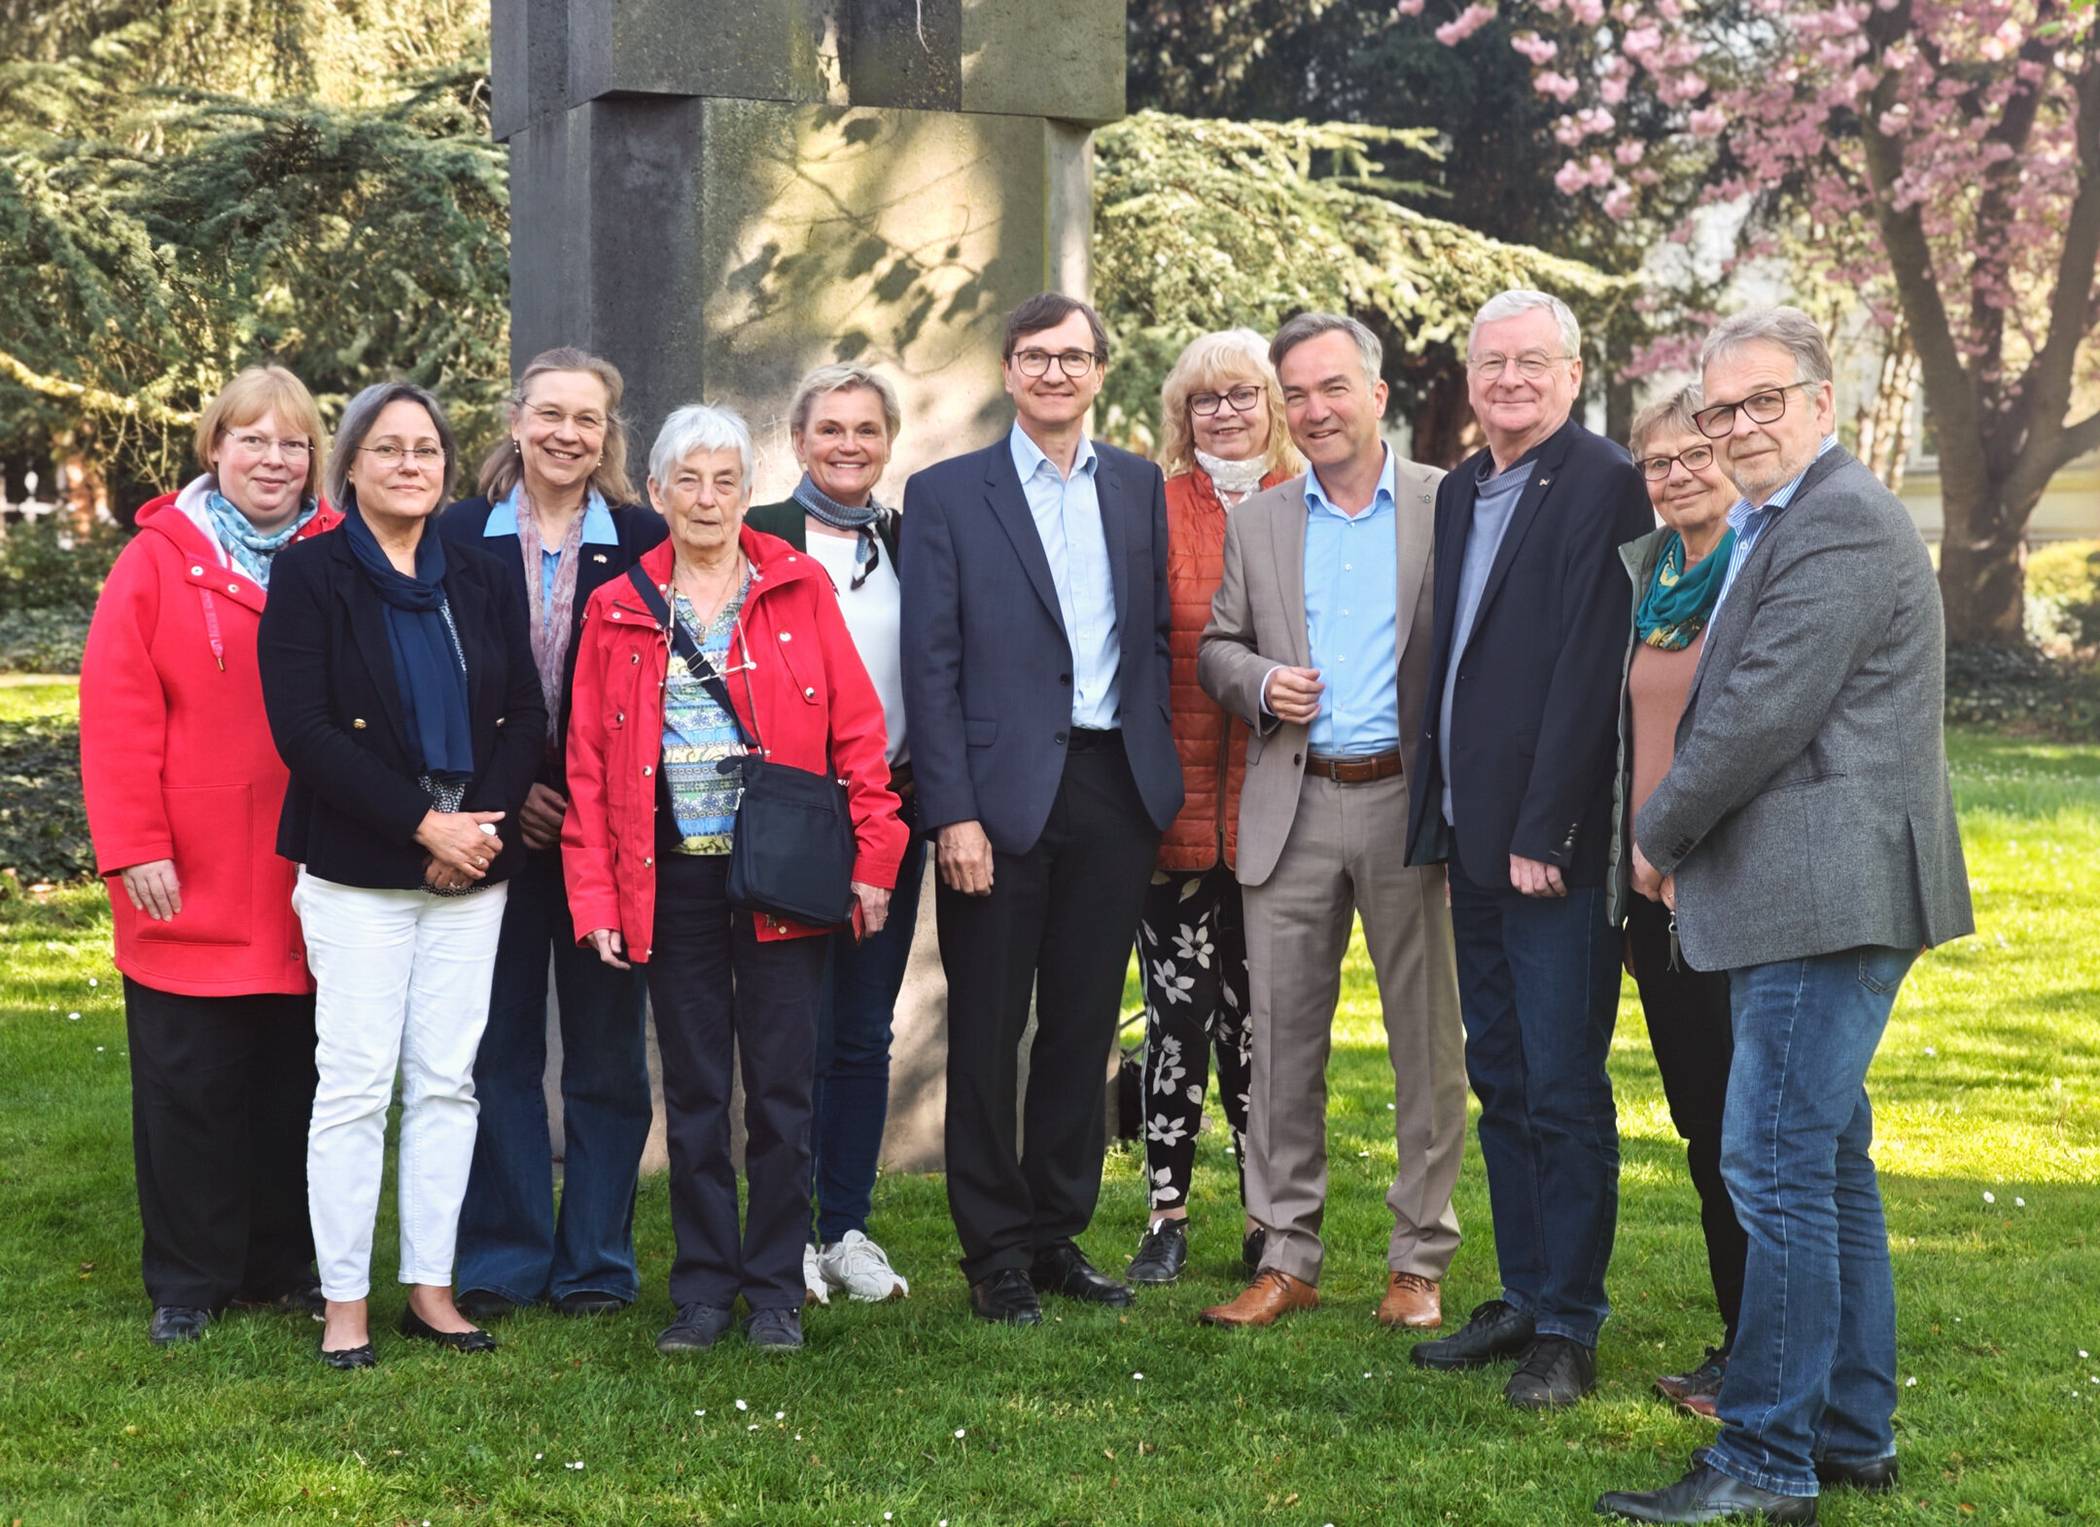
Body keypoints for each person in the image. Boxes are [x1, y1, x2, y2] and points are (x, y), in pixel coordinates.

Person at [1599, 309, 1973, 1524]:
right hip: (1808, 886)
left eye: (1766, 401)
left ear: (1823, 402)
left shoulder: (1843, 523)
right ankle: (1853, 1433)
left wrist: (1655, 834)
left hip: (1822, 890)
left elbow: (1760, 710)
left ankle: (1766, 1461)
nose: (1742, 426)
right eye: (1721, 409)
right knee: (1824, 1161)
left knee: (1770, 1164)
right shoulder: (1785, 520)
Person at [564, 403, 905, 1356]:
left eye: (725, 480)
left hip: (783, 882)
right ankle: (704, 1291)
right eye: (689, 480)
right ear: (659, 491)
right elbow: (588, 764)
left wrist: (873, 864)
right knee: (701, 1094)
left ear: (746, 493)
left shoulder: (796, 587)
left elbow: (859, 737)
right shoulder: (619, 605)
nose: (707, 498)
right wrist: (594, 895)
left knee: (785, 1093)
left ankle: (775, 1293)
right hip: (666, 882)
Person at [899, 292, 1183, 1325]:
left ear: (1101, 371)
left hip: (1114, 788)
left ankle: (1057, 1230)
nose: (1056, 372)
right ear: (1009, 373)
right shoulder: (947, 494)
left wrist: (1156, 782)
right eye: (1035, 356)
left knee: (1079, 1024)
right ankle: (993, 1253)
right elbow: (930, 667)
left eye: (1075, 357)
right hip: (997, 799)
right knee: (987, 1027)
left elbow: (1150, 638)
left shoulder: (1140, 487)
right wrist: (953, 815)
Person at [259, 382, 546, 1369]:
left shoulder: (479, 570)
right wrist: (423, 824)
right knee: (354, 1087)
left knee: (446, 1084)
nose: (411, 465)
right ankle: (346, 1305)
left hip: (474, 868)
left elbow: (523, 721)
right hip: (359, 874)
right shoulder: (309, 577)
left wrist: (477, 836)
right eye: (389, 449)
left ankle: (432, 1289)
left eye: (426, 449)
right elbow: (304, 734)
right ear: (351, 467)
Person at [1404, 290, 1652, 1407]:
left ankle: (1572, 1324)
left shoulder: (1603, 482)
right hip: (1471, 833)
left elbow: (1591, 670)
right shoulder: (1463, 487)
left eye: (1530, 363)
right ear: (1469, 374)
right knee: (1500, 1075)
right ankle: (1519, 1293)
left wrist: (1548, 829)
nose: (1508, 380)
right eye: (1490, 362)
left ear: (1571, 369)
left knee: (1561, 1083)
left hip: (1544, 845)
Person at [1195, 314, 1467, 1330]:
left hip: (1410, 806)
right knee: (1282, 1045)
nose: (1314, 410)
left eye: (1332, 388)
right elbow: (1218, 647)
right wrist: (1261, 680)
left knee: (1427, 1046)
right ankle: (1287, 1254)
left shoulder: (1450, 505)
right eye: (1295, 394)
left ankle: (1419, 1260)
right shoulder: (1263, 519)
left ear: (1377, 396)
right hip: (1294, 802)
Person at [80, 366, 341, 1346]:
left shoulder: (338, 550)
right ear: (215, 449)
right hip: (186, 866)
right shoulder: (153, 561)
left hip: (312, 865)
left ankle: (280, 1265)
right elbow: (115, 713)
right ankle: (188, 1280)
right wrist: (133, 843)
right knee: (189, 1085)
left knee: (293, 1081)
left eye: (292, 444)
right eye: (253, 440)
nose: (273, 460)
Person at [441, 348, 665, 1322]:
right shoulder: (456, 535)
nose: (568, 434)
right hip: (493, 828)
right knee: (497, 1051)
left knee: (610, 1055)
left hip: (609, 838)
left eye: (588, 418)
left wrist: (583, 796)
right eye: (551, 414)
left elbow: (663, 692)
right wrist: (518, 789)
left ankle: (597, 1264)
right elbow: (442, 685)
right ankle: (504, 1255)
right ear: (517, 417)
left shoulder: (649, 540)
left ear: (608, 433)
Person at [1125, 329, 1298, 1287]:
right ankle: (1166, 1212)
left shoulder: (1306, 507)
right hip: (1178, 811)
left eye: (1242, 395)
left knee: (1263, 1027)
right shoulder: (1154, 512)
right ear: (1182, 417)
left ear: (1272, 405)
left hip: (1280, 815)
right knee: (1176, 1019)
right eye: (1205, 399)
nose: (1225, 412)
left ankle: (1269, 1214)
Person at [746, 364, 918, 1306]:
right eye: (830, 429)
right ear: (799, 438)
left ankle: (848, 1225)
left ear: (888, 440)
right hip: (788, 813)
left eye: (866, 429)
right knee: (788, 1030)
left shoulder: (907, 539)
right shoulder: (759, 534)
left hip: (889, 810)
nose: (849, 445)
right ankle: (787, 1230)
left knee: (862, 1027)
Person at [1605, 387, 1748, 1421]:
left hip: (1735, 886)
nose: (1677, 475)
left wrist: (1676, 840)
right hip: (1650, 899)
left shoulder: (1758, 566)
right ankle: (1742, 1340)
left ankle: (1773, 1352)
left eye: (1694, 453)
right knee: (1705, 1125)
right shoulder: (1650, 573)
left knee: (1759, 1131)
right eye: (1656, 463)